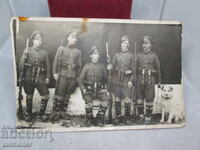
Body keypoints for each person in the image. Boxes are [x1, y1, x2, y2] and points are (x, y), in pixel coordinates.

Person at [19, 31, 50, 122]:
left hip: (40, 77)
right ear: (33, 41)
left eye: (40, 40)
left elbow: (48, 66)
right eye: (37, 40)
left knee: (45, 95)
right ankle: (29, 114)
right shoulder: (27, 50)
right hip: (28, 77)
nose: (39, 41)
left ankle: (42, 113)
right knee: (29, 95)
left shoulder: (44, 53)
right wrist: (21, 76)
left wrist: (48, 77)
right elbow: (22, 65)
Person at [52, 31, 82, 121]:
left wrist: (78, 77)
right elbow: (55, 61)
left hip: (73, 76)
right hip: (63, 74)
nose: (74, 39)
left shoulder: (78, 51)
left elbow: (80, 65)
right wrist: (54, 73)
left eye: (75, 38)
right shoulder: (61, 49)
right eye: (72, 37)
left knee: (67, 95)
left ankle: (63, 112)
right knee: (60, 94)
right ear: (68, 38)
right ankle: (57, 112)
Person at [107, 35, 135, 125]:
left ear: (129, 45)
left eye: (126, 43)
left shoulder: (131, 56)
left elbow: (134, 71)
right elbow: (112, 65)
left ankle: (127, 117)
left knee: (127, 98)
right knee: (117, 98)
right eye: (123, 43)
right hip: (117, 79)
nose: (124, 45)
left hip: (126, 80)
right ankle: (118, 117)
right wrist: (109, 66)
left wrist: (131, 80)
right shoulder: (116, 55)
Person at [79, 46, 109, 127]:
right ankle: (89, 118)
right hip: (89, 91)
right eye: (94, 54)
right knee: (88, 102)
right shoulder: (87, 66)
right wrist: (83, 89)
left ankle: (99, 118)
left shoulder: (102, 67)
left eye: (97, 54)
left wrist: (106, 90)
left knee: (105, 101)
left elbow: (107, 80)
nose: (96, 56)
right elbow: (80, 80)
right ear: (91, 56)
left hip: (99, 90)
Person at [136, 35, 161, 124]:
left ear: (150, 45)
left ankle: (148, 116)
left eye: (147, 43)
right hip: (139, 80)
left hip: (150, 80)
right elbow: (135, 68)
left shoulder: (154, 56)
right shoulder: (138, 55)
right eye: (143, 43)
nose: (145, 45)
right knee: (139, 98)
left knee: (150, 98)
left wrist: (159, 82)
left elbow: (158, 69)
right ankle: (140, 116)